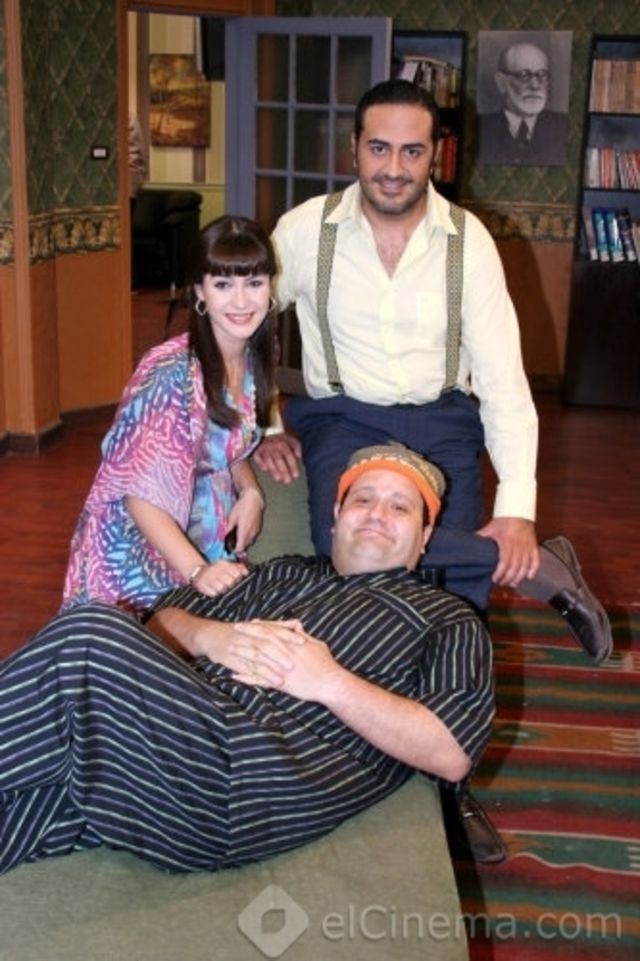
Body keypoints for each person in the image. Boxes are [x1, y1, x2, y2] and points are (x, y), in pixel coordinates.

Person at [254, 78, 611, 862]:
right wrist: (265, 422)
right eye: (379, 148)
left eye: (411, 151)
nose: (394, 167)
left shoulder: (467, 241)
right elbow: (241, 319)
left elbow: (505, 380)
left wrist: (516, 509)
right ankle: (547, 573)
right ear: (354, 149)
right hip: (344, 417)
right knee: (349, 546)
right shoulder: (304, 232)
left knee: (456, 609)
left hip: (446, 418)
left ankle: (453, 787)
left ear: (435, 156)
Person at [0, 445, 495, 876]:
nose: (376, 514)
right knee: (40, 797)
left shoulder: (447, 617)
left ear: (425, 536)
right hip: (174, 746)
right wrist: (209, 636)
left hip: (249, 786)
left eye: (401, 507)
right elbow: (154, 628)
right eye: (361, 499)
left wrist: (328, 682)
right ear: (336, 517)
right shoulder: (281, 573)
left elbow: (452, 753)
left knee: (88, 632)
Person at [62, 215, 277, 615]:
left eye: (254, 283)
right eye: (223, 284)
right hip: (141, 554)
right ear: (199, 291)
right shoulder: (170, 373)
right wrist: (197, 571)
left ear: (270, 286)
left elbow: (228, 447)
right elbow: (139, 496)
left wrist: (251, 492)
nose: (241, 301)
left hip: (207, 538)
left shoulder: (257, 354)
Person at [478, 41, 568, 166]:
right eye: (524, 75)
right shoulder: (481, 128)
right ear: (501, 82)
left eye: (542, 75)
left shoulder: (563, 126)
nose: (535, 85)